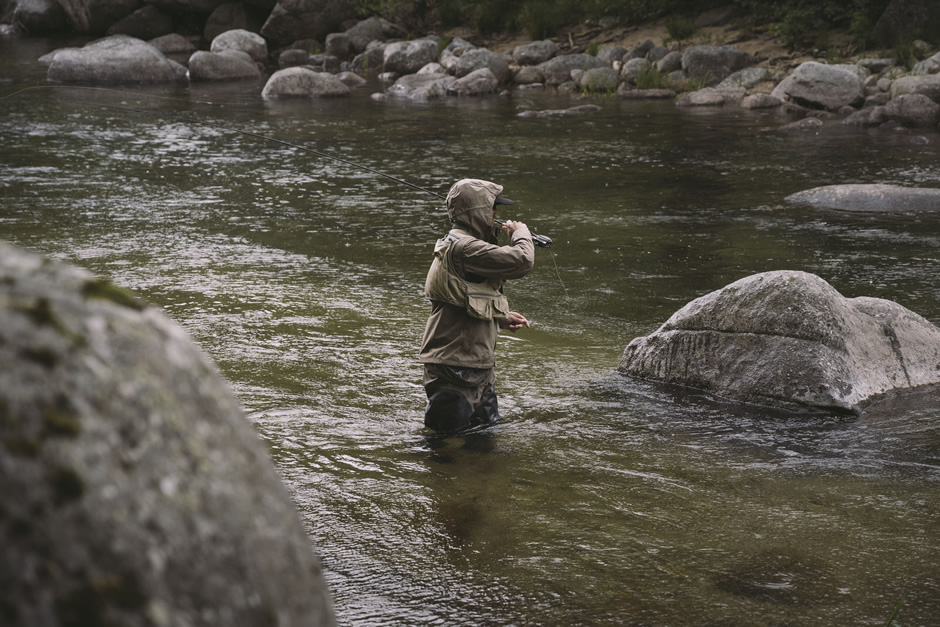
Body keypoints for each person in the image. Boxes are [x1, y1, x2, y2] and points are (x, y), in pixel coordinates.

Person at [418, 178, 535, 434]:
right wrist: (521, 234)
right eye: (493, 209)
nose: (496, 216)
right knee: (441, 450)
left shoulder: (463, 246)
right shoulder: (465, 248)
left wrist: (500, 317)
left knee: (483, 446)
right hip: (455, 370)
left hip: (477, 368)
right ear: (479, 211)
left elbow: (462, 297)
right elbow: (522, 260)